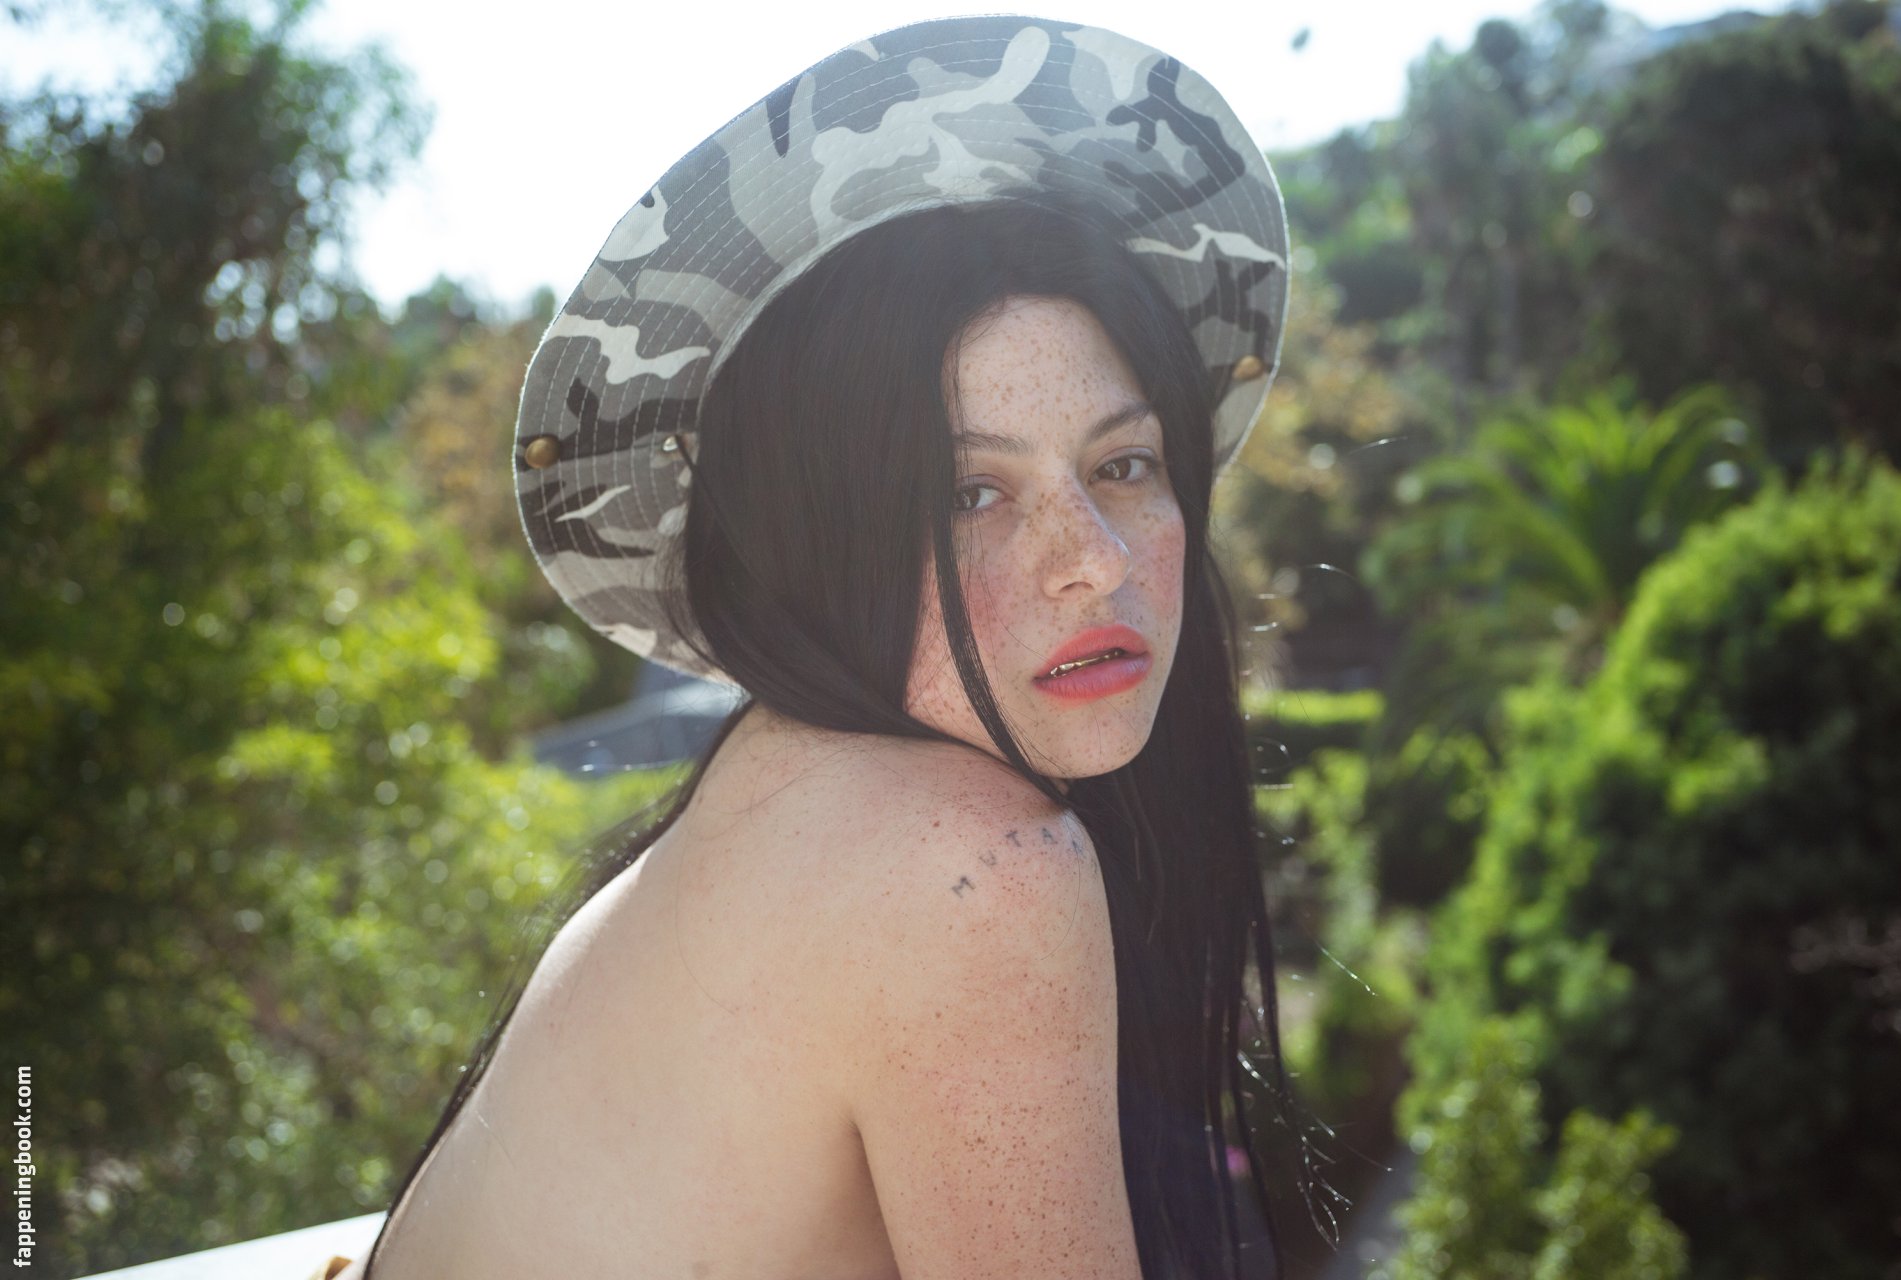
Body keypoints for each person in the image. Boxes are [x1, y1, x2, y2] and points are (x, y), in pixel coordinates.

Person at [319, 16, 1333, 1280]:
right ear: (812, 547)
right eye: (968, 492)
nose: (1094, 558)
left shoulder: (778, 789)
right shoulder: (972, 863)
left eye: (1123, 463)